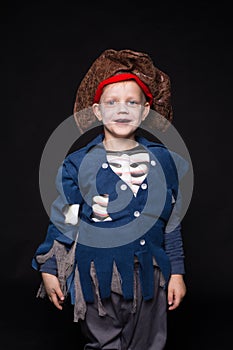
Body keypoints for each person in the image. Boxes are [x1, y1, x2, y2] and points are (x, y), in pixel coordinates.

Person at [32, 49, 189, 350]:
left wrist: (177, 273)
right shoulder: (77, 166)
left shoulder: (163, 161)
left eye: (132, 102)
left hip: (151, 273)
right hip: (97, 275)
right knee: (105, 343)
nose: (122, 110)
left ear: (145, 112)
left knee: (148, 343)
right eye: (112, 102)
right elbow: (65, 217)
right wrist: (50, 267)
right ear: (97, 111)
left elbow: (172, 221)